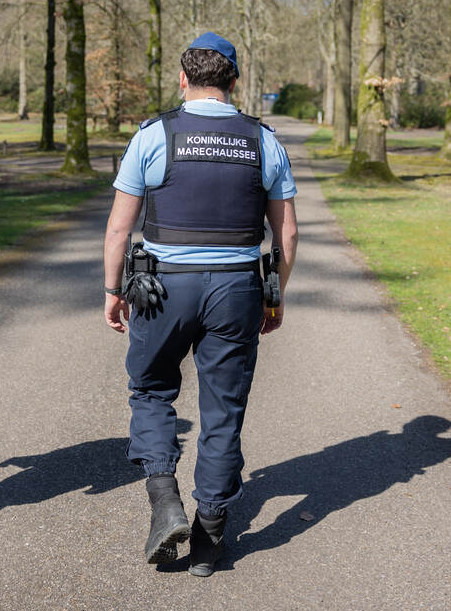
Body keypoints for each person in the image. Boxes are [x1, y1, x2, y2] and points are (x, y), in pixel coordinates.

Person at [102, 32, 298, 577]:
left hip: (163, 288)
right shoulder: (262, 140)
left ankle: (165, 499)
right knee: (223, 410)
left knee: (151, 390)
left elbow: (119, 228)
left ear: (183, 79)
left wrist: (113, 291)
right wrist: (274, 294)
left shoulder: (154, 135)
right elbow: (286, 232)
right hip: (236, 289)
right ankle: (209, 537)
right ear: (234, 81)